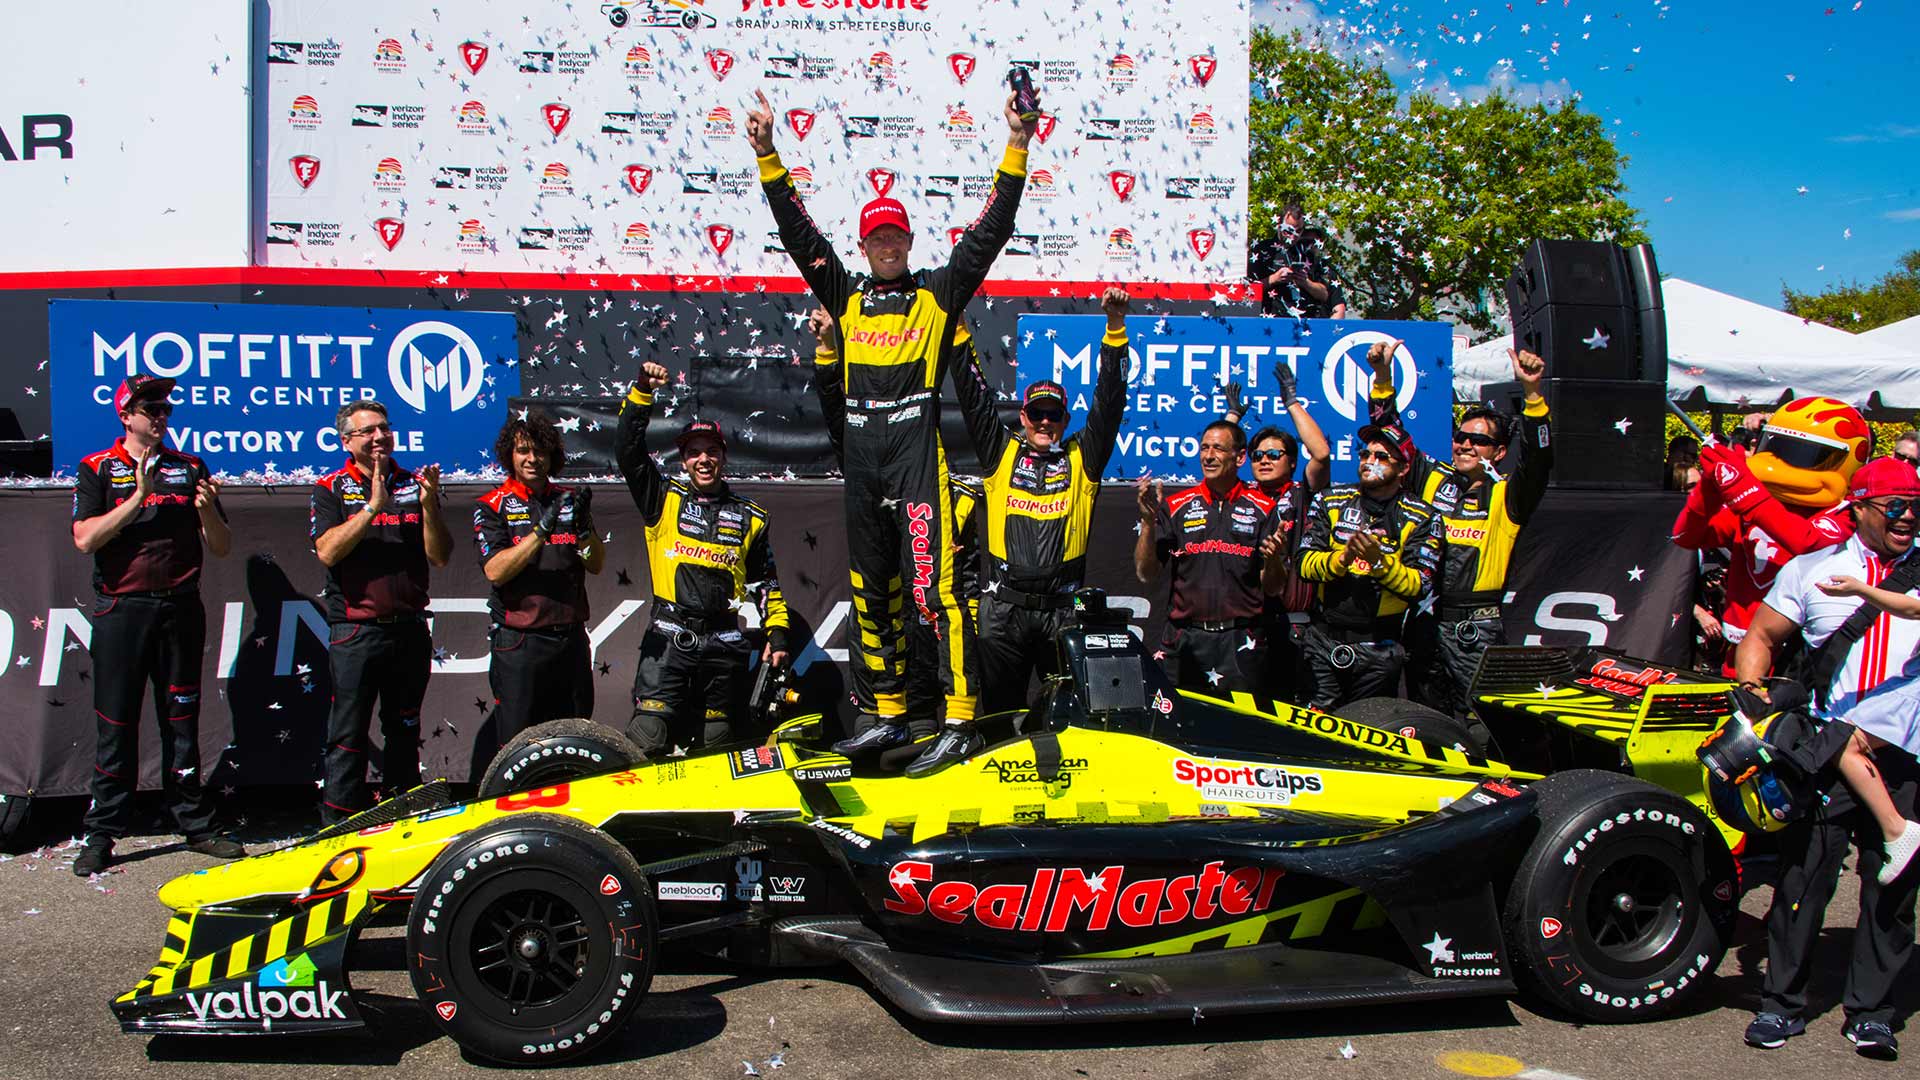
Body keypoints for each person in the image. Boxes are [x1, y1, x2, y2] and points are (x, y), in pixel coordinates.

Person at [746, 86, 1033, 774]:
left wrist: (1017, 144)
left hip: (914, 462)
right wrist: (766, 155)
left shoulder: (938, 291)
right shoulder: (844, 296)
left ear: (909, 241)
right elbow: (799, 237)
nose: (886, 247)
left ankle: (960, 719)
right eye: (876, 238)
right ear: (865, 245)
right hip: (862, 464)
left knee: (937, 593)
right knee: (872, 593)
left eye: (896, 237)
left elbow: (990, 233)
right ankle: (890, 715)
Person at [1734, 456, 1920, 1060]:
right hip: (1827, 754)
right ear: (1860, 506)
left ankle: (1872, 1013)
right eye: (1895, 505)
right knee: (1801, 878)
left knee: (1891, 889)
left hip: (1904, 755)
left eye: (1917, 505)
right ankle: (1781, 1004)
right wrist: (1755, 702)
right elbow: (1760, 636)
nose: (1909, 516)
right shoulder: (1814, 571)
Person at [69, 375, 244, 875]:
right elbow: (85, 540)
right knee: (117, 726)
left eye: (165, 406)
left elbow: (222, 545)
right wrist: (136, 496)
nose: (160, 414)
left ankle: (195, 823)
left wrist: (209, 512)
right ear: (126, 415)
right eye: (149, 407)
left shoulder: (190, 467)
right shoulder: (97, 467)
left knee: (181, 724)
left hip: (180, 609)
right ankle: (102, 832)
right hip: (122, 612)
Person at [949, 288, 1131, 717]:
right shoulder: (1001, 452)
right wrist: (956, 327)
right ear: (1024, 417)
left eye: (1054, 415)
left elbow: (1110, 404)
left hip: (1062, 616)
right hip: (1003, 612)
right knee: (998, 717)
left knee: (1068, 718)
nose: (1046, 422)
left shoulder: (1083, 458)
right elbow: (974, 398)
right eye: (1037, 414)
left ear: (1066, 419)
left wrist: (1116, 329)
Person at [806, 309, 984, 744]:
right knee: (875, 756)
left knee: (918, 750)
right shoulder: (861, 452)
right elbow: (836, 416)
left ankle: (939, 723)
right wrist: (828, 349)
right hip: (878, 697)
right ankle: (883, 716)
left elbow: (971, 594)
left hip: (924, 693)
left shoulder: (955, 498)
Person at [1366, 341, 1552, 720]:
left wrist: (1533, 394)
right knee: (1424, 715)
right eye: (1461, 437)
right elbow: (1390, 432)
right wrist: (1383, 378)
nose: (1466, 444)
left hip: (1476, 623)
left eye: (1480, 440)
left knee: (1480, 718)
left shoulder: (1507, 493)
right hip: (1424, 615)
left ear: (1499, 452)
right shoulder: (1433, 479)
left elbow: (1540, 456)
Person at [617, 362, 790, 756]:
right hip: (669, 634)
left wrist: (777, 634)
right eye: (694, 453)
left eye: (712, 451)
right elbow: (627, 452)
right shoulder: (663, 498)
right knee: (648, 737)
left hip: (725, 641)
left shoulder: (752, 516)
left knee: (718, 746)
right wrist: (642, 391)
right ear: (684, 460)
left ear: (723, 457)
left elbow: (766, 585)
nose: (704, 460)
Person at [311, 399, 452, 825]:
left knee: (405, 729)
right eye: (368, 431)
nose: (379, 438)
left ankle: (401, 820)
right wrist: (372, 506)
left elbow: (441, 556)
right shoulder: (330, 487)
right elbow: (327, 551)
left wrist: (428, 507)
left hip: (408, 627)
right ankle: (336, 826)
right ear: (346, 441)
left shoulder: (413, 483)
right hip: (356, 631)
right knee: (348, 733)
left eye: (384, 429)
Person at [1673, 396, 1870, 677]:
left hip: (1805, 658)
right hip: (1742, 651)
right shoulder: (1750, 502)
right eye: (1776, 448)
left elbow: (1805, 540)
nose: (1782, 463)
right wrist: (1711, 485)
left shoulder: (1845, 513)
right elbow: (1686, 536)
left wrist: (1744, 490)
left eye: (1806, 455)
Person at [473, 413, 605, 748]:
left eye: (541, 452)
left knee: (576, 735)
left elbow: (595, 565)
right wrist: (541, 531)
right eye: (523, 451)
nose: (533, 459)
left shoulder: (569, 500)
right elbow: (495, 571)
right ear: (510, 456)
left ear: (552, 457)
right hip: (520, 642)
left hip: (571, 639)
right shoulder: (492, 505)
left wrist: (586, 533)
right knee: (519, 744)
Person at [1133, 422, 1292, 692]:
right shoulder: (1177, 506)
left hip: (1241, 640)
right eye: (1204, 447)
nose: (1208, 456)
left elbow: (1274, 587)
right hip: (1185, 638)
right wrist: (1148, 523)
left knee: (1241, 728)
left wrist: (1274, 560)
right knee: (1179, 728)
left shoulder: (1264, 508)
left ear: (1239, 457)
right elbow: (1145, 573)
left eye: (1218, 448)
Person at [1295, 422, 1442, 710]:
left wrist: (1380, 564)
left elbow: (1419, 585)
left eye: (1381, 457)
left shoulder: (1423, 516)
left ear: (1403, 468)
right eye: (1365, 454)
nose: (1369, 462)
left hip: (1379, 646)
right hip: (1323, 639)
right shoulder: (1330, 500)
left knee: (1369, 730)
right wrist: (1342, 558)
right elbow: (1303, 564)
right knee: (1311, 731)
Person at [1220, 362, 1333, 703]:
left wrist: (1291, 402)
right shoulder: (1240, 493)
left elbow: (1322, 453)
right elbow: (1219, 456)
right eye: (1257, 454)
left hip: (1293, 624)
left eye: (1274, 454)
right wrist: (1232, 416)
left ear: (1292, 462)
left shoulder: (1302, 493)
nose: (1264, 460)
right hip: (1244, 624)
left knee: (1292, 711)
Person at [1246, 202, 1346, 320]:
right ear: (1279, 225)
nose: (1293, 236)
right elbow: (1246, 292)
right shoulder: (1261, 250)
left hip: (1306, 324)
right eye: (1288, 231)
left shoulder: (1308, 252)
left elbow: (1326, 295)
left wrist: (1306, 282)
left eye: (1298, 231)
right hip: (1272, 323)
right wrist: (1274, 279)